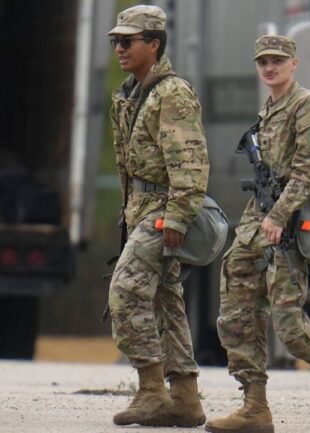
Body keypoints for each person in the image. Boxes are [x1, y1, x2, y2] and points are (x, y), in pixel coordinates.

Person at [206, 35, 310, 433]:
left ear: (293, 63)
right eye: (263, 61)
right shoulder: (269, 108)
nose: (269, 67)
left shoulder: (307, 106)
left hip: (288, 221)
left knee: (288, 323)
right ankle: (254, 405)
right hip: (257, 218)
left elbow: (308, 170)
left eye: (277, 61)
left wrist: (280, 215)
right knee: (235, 310)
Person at [107, 5, 207, 427]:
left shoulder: (172, 93)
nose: (120, 48)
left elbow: (191, 163)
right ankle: (184, 397)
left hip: (164, 211)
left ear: (154, 44)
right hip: (141, 211)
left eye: (128, 41)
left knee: (126, 292)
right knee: (167, 302)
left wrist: (179, 218)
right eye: (116, 41)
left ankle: (151, 390)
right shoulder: (129, 94)